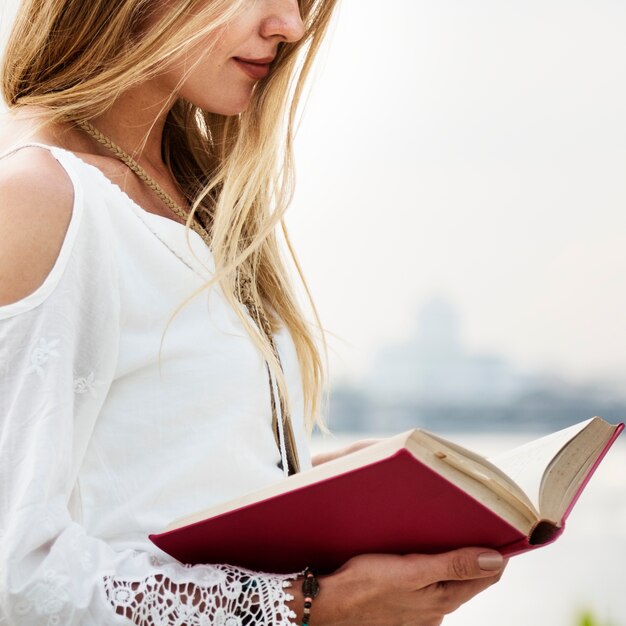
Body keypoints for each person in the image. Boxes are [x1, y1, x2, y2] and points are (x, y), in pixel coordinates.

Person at [0, 0, 507, 624]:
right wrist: (304, 606)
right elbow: (16, 574)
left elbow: (143, 479)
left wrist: (318, 490)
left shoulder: (193, 197)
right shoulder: (37, 201)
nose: (290, 26)